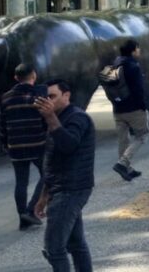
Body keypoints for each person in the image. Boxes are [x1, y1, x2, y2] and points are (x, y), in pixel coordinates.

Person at [34, 80, 96, 272]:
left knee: (54, 248)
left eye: (53, 96)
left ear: (66, 95)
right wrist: (44, 195)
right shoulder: (58, 118)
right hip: (62, 187)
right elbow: (53, 160)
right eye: (46, 98)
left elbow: (69, 145)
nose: (48, 102)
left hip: (72, 188)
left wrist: (51, 117)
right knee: (75, 243)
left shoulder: (77, 118)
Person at [0, 63, 47, 229]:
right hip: (37, 143)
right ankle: (30, 210)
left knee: (21, 182)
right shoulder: (39, 95)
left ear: (16, 78)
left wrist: (5, 144)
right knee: (47, 174)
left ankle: (22, 218)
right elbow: (46, 119)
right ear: (34, 75)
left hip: (16, 146)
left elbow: (2, 124)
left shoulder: (6, 97)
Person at [111, 40, 148, 182]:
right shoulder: (133, 66)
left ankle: (127, 169)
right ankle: (123, 163)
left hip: (117, 108)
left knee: (123, 139)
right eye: (138, 48)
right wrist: (143, 106)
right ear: (133, 50)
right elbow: (138, 89)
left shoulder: (115, 64)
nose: (139, 51)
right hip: (133, 108)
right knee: (142, 136)